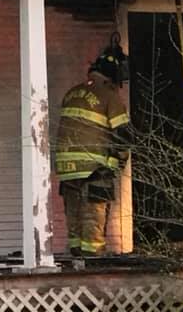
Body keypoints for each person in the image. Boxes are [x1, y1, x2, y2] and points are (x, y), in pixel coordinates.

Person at [55, 42, 131, 257]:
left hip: (67, 169)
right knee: (93, 220)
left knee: (74, 220)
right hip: (94, 168)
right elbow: (124, 136)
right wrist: (118, 163)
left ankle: (76, 260)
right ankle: (94, 265)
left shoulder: (72, 93)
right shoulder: (108, 96)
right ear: (111, 78)